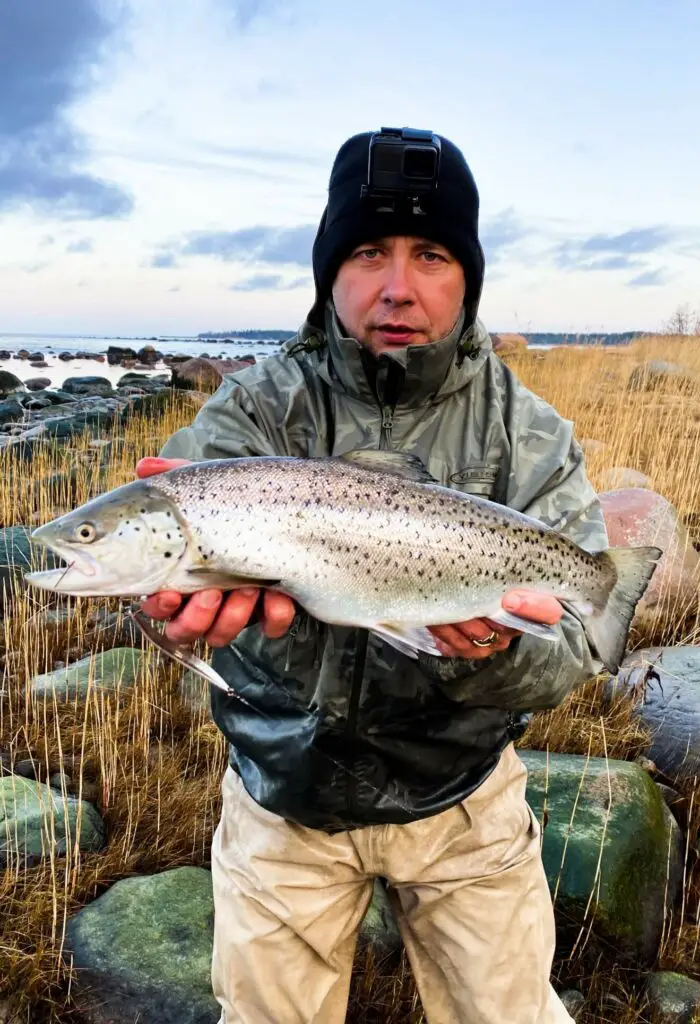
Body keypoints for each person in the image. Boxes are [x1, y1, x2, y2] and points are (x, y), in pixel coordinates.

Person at [135, 128, 608, 1024]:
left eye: (430, 254)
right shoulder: (253, 407)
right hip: (283, 799)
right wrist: (180, 606)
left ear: (466, 274)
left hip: (464, 799)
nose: (397, 286)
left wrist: (487, 654)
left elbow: (577, 651)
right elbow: (180, 584)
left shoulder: (530, 434)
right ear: (328, 270)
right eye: (366, 252)